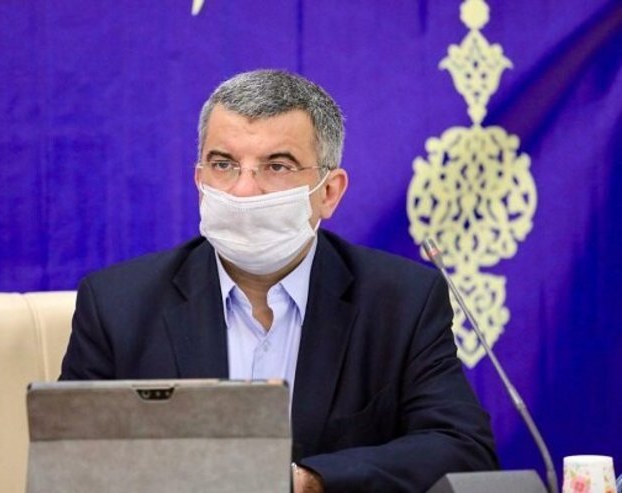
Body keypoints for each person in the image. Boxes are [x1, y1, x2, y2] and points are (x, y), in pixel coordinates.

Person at [60, 69, 498, 492]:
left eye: (277, 166)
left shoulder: (401, 302)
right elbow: (68, 462)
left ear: (329, 192)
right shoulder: (117, 305)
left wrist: (311, 482)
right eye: (223, 164)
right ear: (199, 181)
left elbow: (461, 448)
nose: (243, 190)